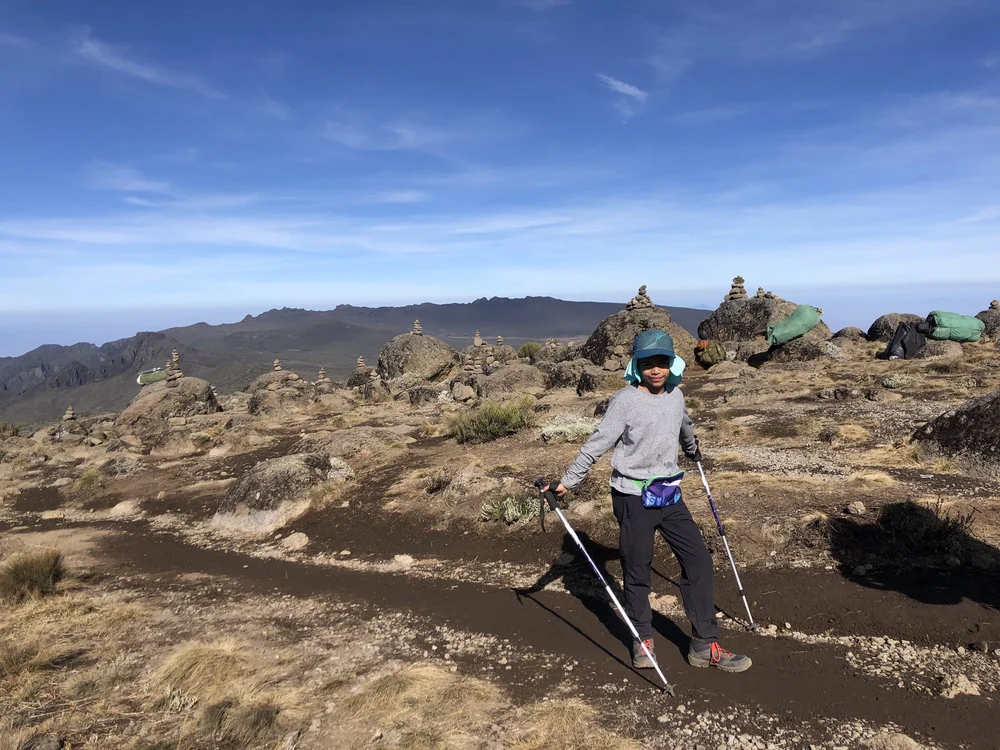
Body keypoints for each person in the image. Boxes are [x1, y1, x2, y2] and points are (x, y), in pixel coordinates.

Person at [542, 329, 751, 673]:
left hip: (668, 493)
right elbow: (598, 442)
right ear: (637, 365)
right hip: (632, 495)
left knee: (698, 560)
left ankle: (703, 645)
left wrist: (692, 447)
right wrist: (567, 482)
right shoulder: (624, 399)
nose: (656, 370)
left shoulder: (676, 396)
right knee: (637, 570)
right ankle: (642, 638)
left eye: (662, 363)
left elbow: (684, 425)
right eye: (648, 363)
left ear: (672, 364)